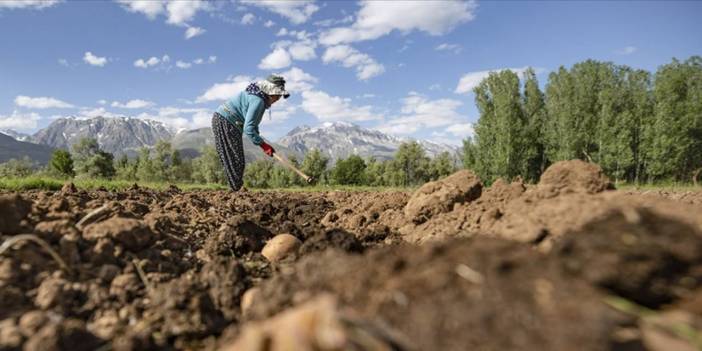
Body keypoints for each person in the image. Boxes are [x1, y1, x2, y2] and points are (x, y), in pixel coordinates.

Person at [211, 74, 289, 191]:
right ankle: (236, 191)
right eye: (277, 95)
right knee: (236, 160)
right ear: (270, 91)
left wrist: (263, 144)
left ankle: (236, 189)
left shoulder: (258, 97)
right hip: (226, 120)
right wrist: (263, 145)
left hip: (226, 121)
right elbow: (249, 129)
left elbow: (253, 125)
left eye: (279, 96)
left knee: (236, 160)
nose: (278, 99)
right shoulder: (258, 101)